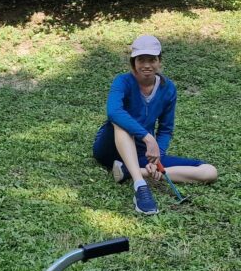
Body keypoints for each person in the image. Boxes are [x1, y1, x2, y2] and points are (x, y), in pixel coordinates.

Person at [93, 34, 217, 215]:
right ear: (133, 62)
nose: (146, 65)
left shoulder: (168, 88)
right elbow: (113, 112)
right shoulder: (122, 81)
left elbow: (166, 128)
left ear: (159, 61)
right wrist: (147, 137)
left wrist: (157, 157)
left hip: (142, 153)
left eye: (152, 59)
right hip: (110, 147)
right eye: (141, 60)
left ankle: (131, 172)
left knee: (209, 172)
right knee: (121, 122)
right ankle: (140, 186)